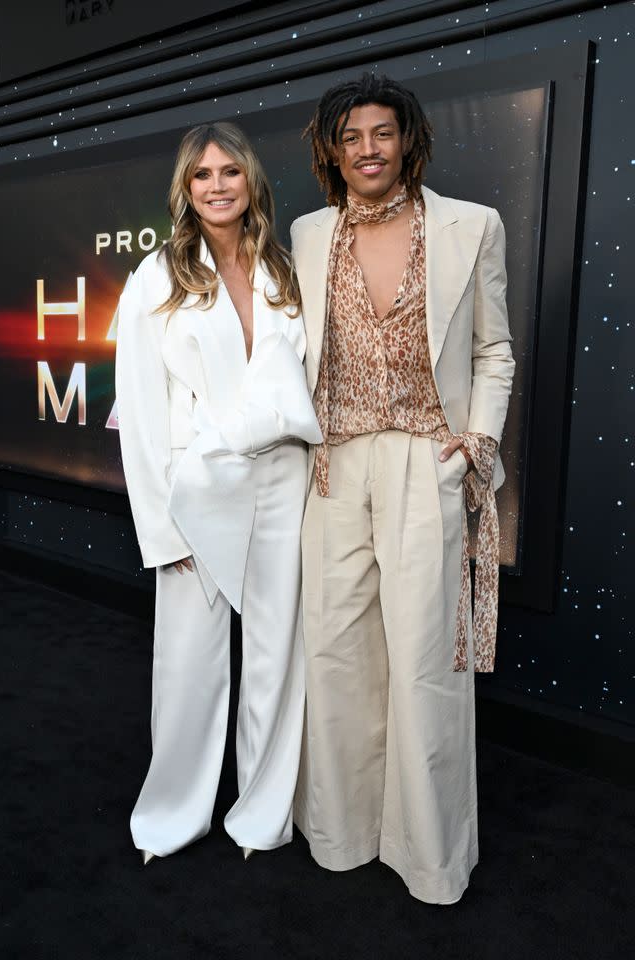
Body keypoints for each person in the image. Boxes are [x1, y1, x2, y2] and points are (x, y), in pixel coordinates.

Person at [290, 73, 515, 904]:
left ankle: (428, 858)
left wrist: (476, 444)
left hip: (427, 457)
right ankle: (343, 836)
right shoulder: (309, 234)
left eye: (381, 133)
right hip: (333, 463)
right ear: (331, 150)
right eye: (350, 138)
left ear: (409, 139)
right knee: (337, 652)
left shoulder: (470, 226)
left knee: (426, 661)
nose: (366, 150)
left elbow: (496, 349)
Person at [115, 121, 322, 865]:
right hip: (196, 493)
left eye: (229, 171)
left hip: (281, 480)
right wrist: (160, 533)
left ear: (250, 180)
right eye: (201, 175)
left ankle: (262, 814)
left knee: (276, 658)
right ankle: (174, 814)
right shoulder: (155, 277)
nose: (217, 186)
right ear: (185, 188)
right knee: (190, 665)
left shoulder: (284, 270)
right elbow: (139, 416)